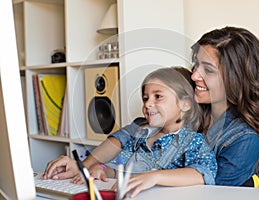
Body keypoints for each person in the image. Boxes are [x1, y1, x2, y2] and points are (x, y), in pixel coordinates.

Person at [42, 67, 217, 198]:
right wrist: (101, 170)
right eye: (146, 98)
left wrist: (154, 177)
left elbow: (202, 174)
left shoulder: (193, 141)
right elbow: (120, 169)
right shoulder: (141, 136)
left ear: (185, 104)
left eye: (158, 96)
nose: (148, 104)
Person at [190, 26, 259, 187]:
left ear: (237, 78)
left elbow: (214, 195)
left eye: (208, 70)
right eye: (196, 64)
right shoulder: (192, 106)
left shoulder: (245, 139)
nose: (194, 75)